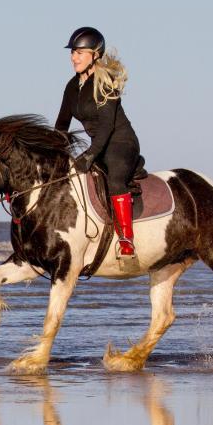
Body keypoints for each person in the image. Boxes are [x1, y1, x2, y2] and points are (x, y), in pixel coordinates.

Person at [55, 26, 143, 257]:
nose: (74, 57)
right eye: (72, 52)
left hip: (121, 143)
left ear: (95, 54)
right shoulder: (72, 87)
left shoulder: (105, 82)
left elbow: (106, 127)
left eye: (79, 53)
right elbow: (61, 124)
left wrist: (90, 155)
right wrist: (51, 151)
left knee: (114, 177)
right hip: (98, 144)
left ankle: (126, 240)